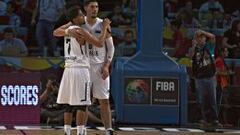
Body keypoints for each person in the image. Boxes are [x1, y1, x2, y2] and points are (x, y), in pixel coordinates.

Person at [54, 1, 115, 134]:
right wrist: (105, 28)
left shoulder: (71, 28)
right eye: (92, 7)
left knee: (100, 100)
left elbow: (110, 48)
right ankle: (82, 131)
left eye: (97, 7)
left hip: (86, 66)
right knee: (83, 102)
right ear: (85, 9)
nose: (95, 9)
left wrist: (106, 65)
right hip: (82, 68)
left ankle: (107, 129)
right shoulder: (79, 27)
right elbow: (99, 43)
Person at [191, 29, 221, 127]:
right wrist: (193, 45)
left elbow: (213, 37)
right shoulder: (195, 49)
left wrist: (202, 32)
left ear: (205, 39)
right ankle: (204, 119)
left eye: (202, 37)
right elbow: (190, 56)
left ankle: (214, 120)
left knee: (212, 99)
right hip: (199, 77)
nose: (200, 39)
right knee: (201, 100)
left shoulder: (209, 47)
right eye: (198, 38)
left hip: (210, 77)